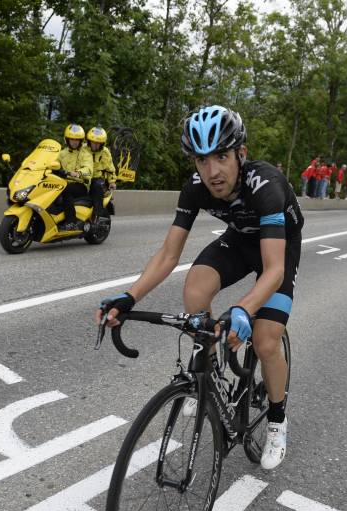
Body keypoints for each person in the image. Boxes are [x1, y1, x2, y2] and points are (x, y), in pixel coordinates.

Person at [95, 105, 303, 470]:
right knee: (194, 290)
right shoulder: (195, 188)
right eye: (201, 161)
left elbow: (273, 271)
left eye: (222, 157)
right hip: (240, 240)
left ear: (241, 154)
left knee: (267, 339)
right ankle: (204, 375)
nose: (213, 172)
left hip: (277, 248)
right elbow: (168, 254)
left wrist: (243, 308)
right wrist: (129, 297)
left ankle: (276, 419)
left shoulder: (265, 185)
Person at [56, 124, 94, 231]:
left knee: (66, 190)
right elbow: (53, 163)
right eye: (71, 139)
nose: (74, 142)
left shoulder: (85, 154)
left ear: (81, 141)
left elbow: (88, 168)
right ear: (67, 140)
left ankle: (71, 222)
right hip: (62, 182)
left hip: (80, 184)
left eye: (77, 140)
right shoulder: (62, 153)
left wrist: (78, 173)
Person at [86, 126, 116, 221]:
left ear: (102, 143)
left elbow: (110, 168)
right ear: (89, 141)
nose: (95, 144)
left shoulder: (105, 152)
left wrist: (112, 181)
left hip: (97, 178)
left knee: (97, 186)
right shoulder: (83, 148)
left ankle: (96, 215)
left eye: (98, 143)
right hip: (83, 177)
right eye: (93, 142)